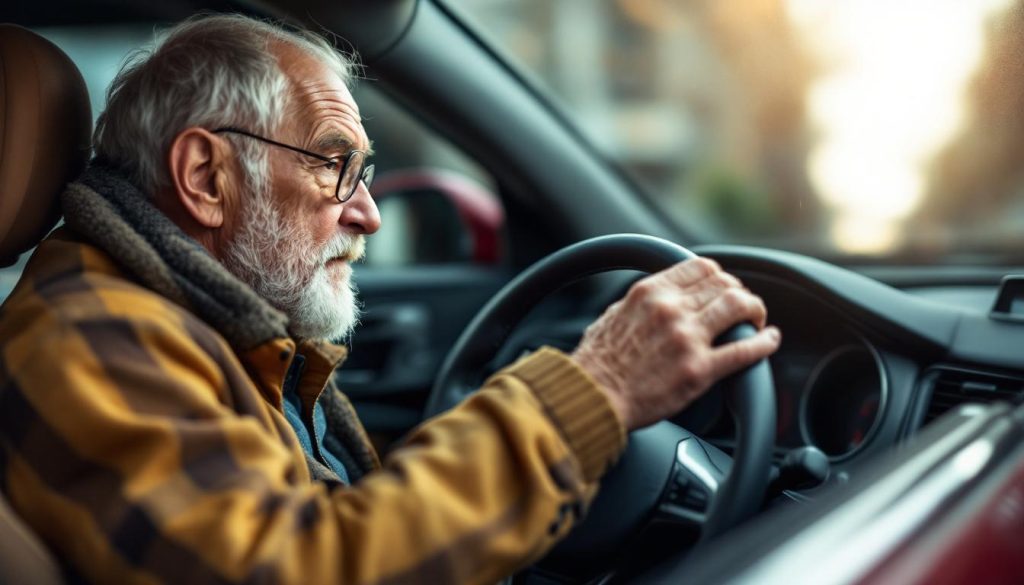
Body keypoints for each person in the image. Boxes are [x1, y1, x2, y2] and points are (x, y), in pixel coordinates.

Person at [0, 14, 780, 585]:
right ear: (207, 178)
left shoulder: (184, 317)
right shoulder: (89, 334)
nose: (369, 211)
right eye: (336, 165)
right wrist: (594, 391)